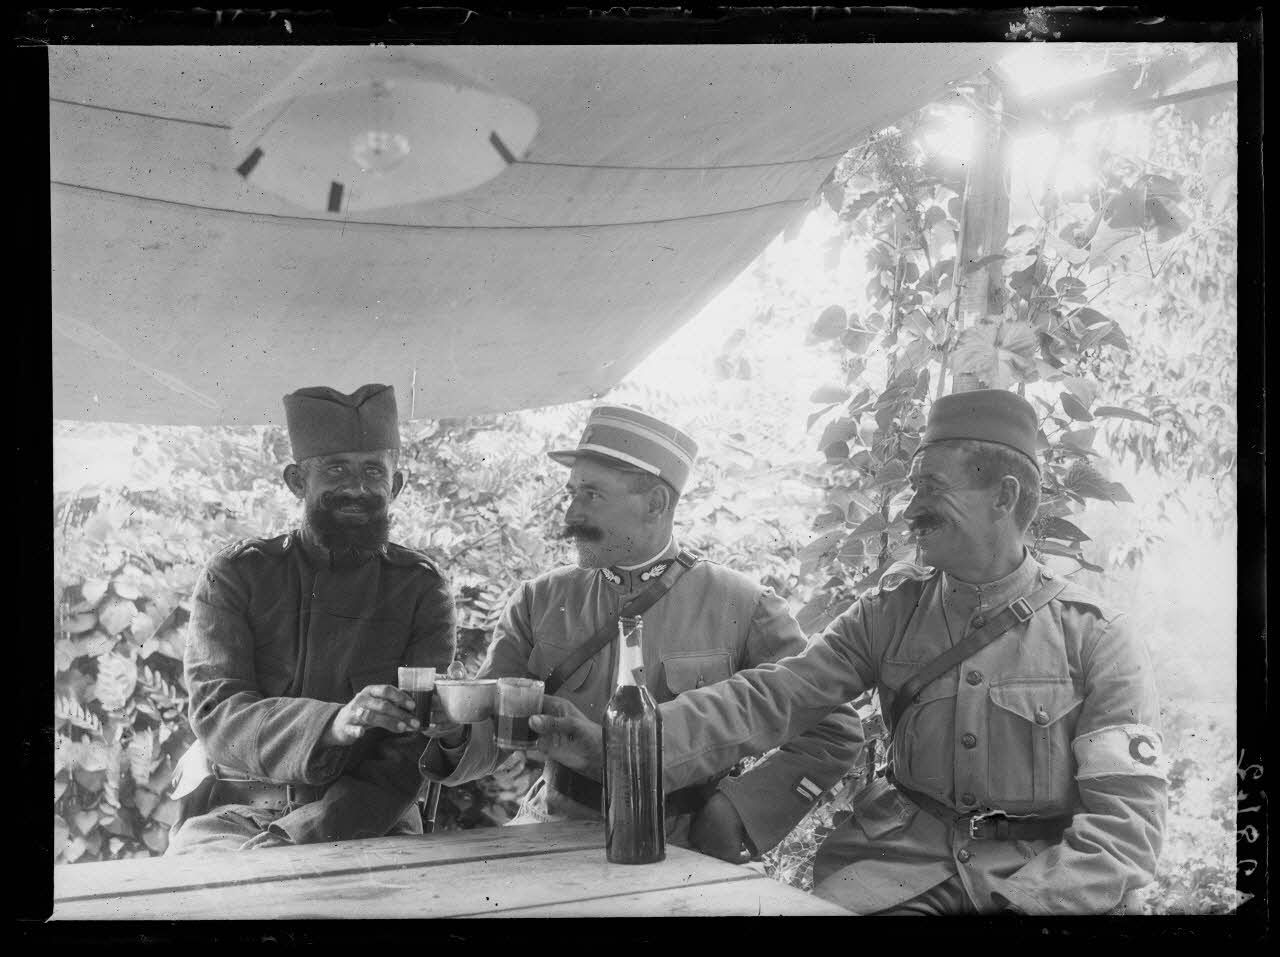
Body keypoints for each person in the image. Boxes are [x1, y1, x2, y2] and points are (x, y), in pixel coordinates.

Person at [531, 390, 1165, 914]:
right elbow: (774, 695)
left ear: (1003, 496)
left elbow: (1126, 825)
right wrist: (622, 745)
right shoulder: (888, 614)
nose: (911, 509)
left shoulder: (1097, 636)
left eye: (931, 489)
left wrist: (1032, 901)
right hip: (900, 871)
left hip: (1039, 880)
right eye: (913, 488)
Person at [420, 405, 863, 862]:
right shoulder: (539, 599)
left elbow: (834, 729)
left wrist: (738, 813)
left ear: (656, 503)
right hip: (552, 832)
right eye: (572, 493)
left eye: (592, 495)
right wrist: (454, 733)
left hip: (683, 847)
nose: (571, 513)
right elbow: (489, 731)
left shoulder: (744, 605)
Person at [166, 383, 456, 853]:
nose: (357, 488)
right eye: (336, 469)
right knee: (205, 891)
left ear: (397, 485)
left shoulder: (421, 588)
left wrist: (308, 832)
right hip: (234, 815)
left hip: (363, 820)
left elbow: (412, 746)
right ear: (297, 481)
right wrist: (334, 725)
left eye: (373, 471)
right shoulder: (236, 574)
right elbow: (218, 712)